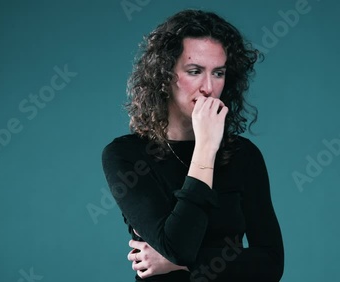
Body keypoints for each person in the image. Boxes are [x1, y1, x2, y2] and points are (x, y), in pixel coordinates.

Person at [101, 9, 284, 281]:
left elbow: (270, 263)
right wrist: (205, 148)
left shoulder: (244, 155)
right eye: (194, 71)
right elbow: (179, 246)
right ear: (164, 76)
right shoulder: (126, 155)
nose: (208, 87)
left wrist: (177, 263)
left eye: (218, 73)